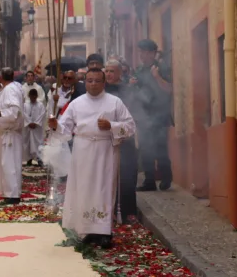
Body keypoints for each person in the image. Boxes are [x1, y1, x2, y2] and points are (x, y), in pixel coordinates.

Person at [48, 68, 136, 248]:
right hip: (83, 150)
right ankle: (86, 230)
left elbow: (130, 127)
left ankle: (103, 232)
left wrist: (111, 125)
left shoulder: (115, 102)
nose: (93, 84)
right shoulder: (76, 103)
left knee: (104, 188)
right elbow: (64, 130)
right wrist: (55, 125)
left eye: (97, 81)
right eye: (89, 80)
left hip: (106, 151)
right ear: (84, 82)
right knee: (84, 188)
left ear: (104, 83)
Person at [132, 39, 173, 191]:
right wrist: (132, 84)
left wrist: (157, 77)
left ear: (151, 53)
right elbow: (136, 92)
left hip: (160, 114)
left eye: (143, 52)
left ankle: (166, 178)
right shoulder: (139, 70)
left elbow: (169, 89)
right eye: (140, 51)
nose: (141, 55)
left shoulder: (161, 68)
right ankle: (149, 181)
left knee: (160, 147)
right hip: (144, 115)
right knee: (145, 148)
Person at [105, 59, 138, 223]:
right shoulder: (101, 90)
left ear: (120, 73)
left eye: (112, 71)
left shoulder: (128, 91)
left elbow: (134, 114)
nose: (109, 74)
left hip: (125, 138)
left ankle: (129, 211)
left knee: (127, 176)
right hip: (105, 139)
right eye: (107, 71)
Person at [0, 68, 26, 204]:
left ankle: (13, 194)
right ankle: (10, 192)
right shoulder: (14, 88)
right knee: (7, 164)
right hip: (8, 133)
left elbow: (13, 111)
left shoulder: (10, 90)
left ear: (1, 78)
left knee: (9, 164)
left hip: (10, 134)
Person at [23, 89, 46, 166]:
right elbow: (24, 114)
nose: (33, 97)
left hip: (37, 128)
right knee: (27, 143)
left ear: (36, 96)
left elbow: (42, 114)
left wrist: (36, 123)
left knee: (38, 142)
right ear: (29, 96)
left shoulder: (40, 105)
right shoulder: (25, 105)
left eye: (34, 96)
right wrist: (29, 122)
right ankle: (28, 159)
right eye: (31, 95)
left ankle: (39, 158)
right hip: (28, 128)